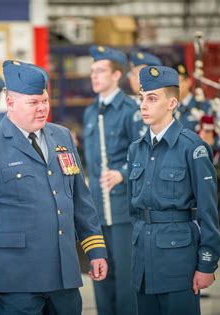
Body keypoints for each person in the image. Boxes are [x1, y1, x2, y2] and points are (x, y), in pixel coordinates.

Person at [0, 60, 108, 314]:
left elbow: (79, 200)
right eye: (33, 103)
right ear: (10, 102)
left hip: (64, 274)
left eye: (45, 101)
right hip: (15, 279)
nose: (42, 109)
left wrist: (95, 249)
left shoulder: (61, 137)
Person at [128, 66, 220, 315]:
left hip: (177, 262)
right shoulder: (136, 150)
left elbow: (208, 211)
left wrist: (206, 263)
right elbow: (133, 210)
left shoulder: (193, 148)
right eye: (141, 98)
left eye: (152, 98)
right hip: (143, 262)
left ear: (172, 103)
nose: (144, 105)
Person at [83, 45, 145, 315]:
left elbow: (143, 153)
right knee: (100, 273)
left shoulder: (131, 110)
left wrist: (122, 172)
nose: (94, 76)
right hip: (97, 209)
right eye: (92, 71)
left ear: (117, 75)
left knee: (125, 277)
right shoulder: (89, 112)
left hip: (122, 209)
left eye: (100, 71)